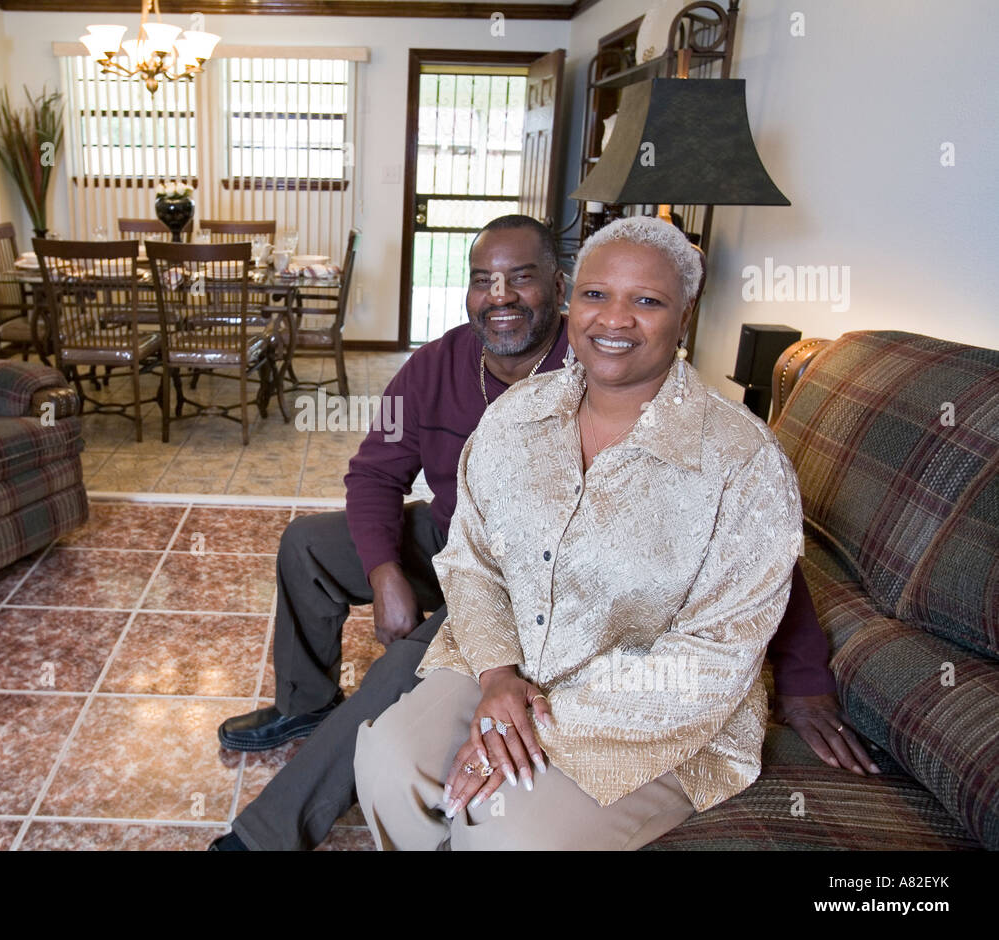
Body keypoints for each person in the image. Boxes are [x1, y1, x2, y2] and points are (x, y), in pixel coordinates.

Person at [210, 215, 871, 852]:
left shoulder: (707, 436)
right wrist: (385, 571)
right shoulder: (440, 366)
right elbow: (381, 477)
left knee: (399, 680)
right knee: (310, 545)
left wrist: (806, 677)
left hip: (557, 602)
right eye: (482, 280)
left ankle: (266, 834)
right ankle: (304, 700)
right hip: (464, 548)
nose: (500, 297)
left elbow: (754, 570)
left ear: (554, 291)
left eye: (521, 279)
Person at [353, 216, 805, 849]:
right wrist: (498, 679)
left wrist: (533, 726)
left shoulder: (742, 463)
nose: (614, 319)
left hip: (653, 719)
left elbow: (713, 658)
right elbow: (473, 561)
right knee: (388, 762)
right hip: (502, 664)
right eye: (596, 295)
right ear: (572, 301)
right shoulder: (516, 415)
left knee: (504, 832)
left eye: (646, 301)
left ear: (686, 313)